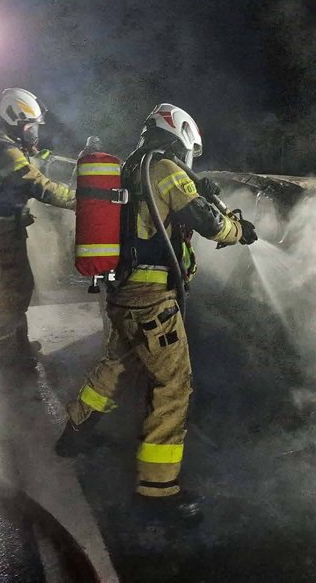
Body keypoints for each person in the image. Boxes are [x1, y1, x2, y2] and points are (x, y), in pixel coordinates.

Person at [54, 103, 257, 525]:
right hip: (153, 301)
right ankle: (158, 490)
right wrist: (238, 230)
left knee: (115, 364)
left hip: (123, 293)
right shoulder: (164, 168)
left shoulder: (132, 166)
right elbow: (205, 221)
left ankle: (74, 433)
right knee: (173, 385)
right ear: (180, 135)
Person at [0, 87, 76, 369]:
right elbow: (37, 184)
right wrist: (79, 199)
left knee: (16, 287)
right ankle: (4, 354)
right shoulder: (6, 150)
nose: (34, 132)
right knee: (8, 291)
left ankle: (16, 345)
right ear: (15, 120)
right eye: (31, 126)